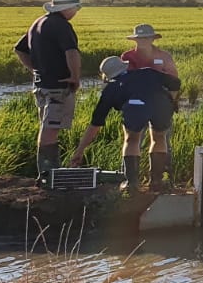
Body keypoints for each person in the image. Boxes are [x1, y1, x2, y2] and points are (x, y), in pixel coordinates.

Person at [67, 56, 181, 191]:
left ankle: (131, 184)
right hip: (162, 104)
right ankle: (156, 181)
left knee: (132, 140)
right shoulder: (148, 72)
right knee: (159, 138)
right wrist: (172, 100)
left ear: (107, 76)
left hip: (135, 106)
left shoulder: (111, 89)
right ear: (124, 67)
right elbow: (176, 83)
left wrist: (80, 151)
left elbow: (95, 124)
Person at [13, 0, 84, 176]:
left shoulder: (38, 22)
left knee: (47, 128)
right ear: (68, 8)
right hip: (57, 87)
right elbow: (72, 53)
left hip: (41, 86)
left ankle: (49, 174)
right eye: (76, 8)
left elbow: (20, 50)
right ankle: (49, 175)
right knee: (50, 132)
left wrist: (36, 69)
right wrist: (75, 78)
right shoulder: (61, 25)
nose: (76, 12)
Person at [121, 24, 179, 187]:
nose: (143, 41)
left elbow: (174, 81)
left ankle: (155, 180)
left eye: (146, 38)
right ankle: (133, 181)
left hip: (152, 102)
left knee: (157, 137)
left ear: (153, 39)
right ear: (135, 40)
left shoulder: (163, 56)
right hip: (139, 102)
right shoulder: (127, 57)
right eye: (141, 38)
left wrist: (171, 102)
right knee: (133, 138)